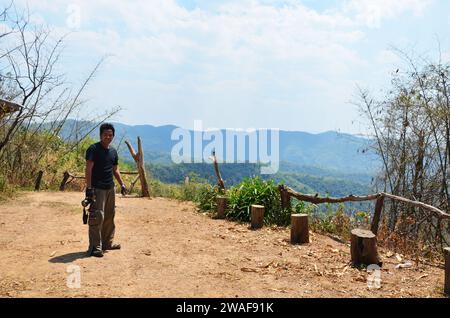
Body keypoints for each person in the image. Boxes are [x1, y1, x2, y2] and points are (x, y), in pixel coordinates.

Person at [85, 123, 127, 257]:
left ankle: (107, 243)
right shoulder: (93, 149)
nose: (108, 137)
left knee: (109, 216)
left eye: (110, 135)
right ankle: (95, 247)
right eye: (105, 135)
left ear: (113, 136)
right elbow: (88, 169)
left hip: (110, 188)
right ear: (100, 135)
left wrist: (122, 184)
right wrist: (89, 188)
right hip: (97, 189)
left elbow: (115, 170)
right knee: (97, 217)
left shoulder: (113, 151)